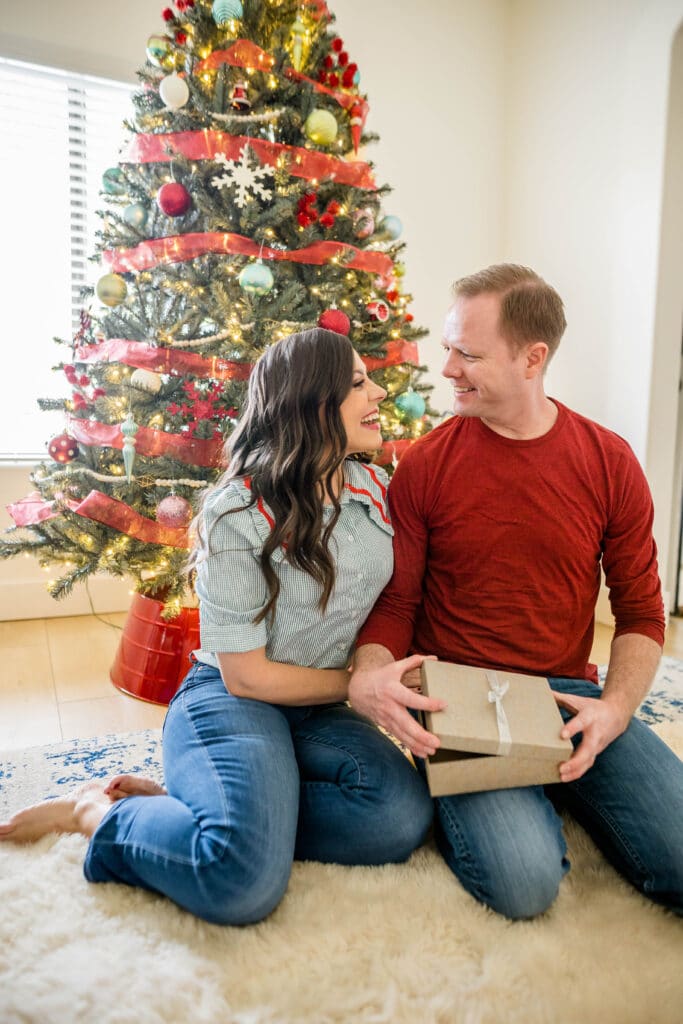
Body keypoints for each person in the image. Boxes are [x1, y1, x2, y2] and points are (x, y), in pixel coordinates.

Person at [0, 328, 440, 925]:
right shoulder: (237, 511)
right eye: (359, 383)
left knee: (398, 817)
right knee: (241, 882)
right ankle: (95, 813)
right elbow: (249, 677)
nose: (381, 392)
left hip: (318, 713)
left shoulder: (376, 488)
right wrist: (359, 685)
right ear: (312, 404)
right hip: (235, 699)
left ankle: (199, 810)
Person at [348, 263, 683, 920]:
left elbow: (641, 611)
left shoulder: (608, 461)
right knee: (523, 887)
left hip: (569, 693)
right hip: (462, 699)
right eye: (448, 348)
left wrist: (614, 709)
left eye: (466, 354)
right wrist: (368, 677)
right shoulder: (424, 464)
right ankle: (489, 800)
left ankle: (539, 787)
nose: (446, 368)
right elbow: (397, 604)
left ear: (533, 359)